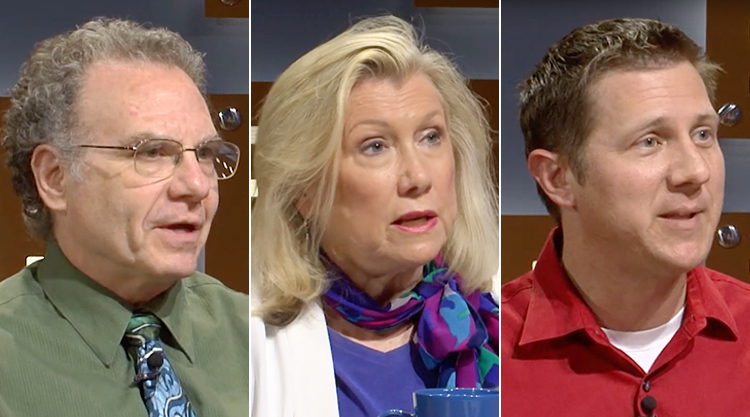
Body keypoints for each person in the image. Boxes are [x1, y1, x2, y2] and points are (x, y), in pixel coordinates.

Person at [250, 15, 499, 417]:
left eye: (431, 137)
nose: (418, 177)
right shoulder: (248, 345)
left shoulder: (499, 326)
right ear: (303, 191)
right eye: (375, 146)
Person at [502, 17, 750, 416]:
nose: (695, 171)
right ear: (558, 178)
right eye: (649, 141)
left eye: (703, 134)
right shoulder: (483, 354)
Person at [0, 18, 248, 416]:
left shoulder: (260, 337)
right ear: (55, 177)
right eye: (151, 152)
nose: (197, 185)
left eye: (204, 154)